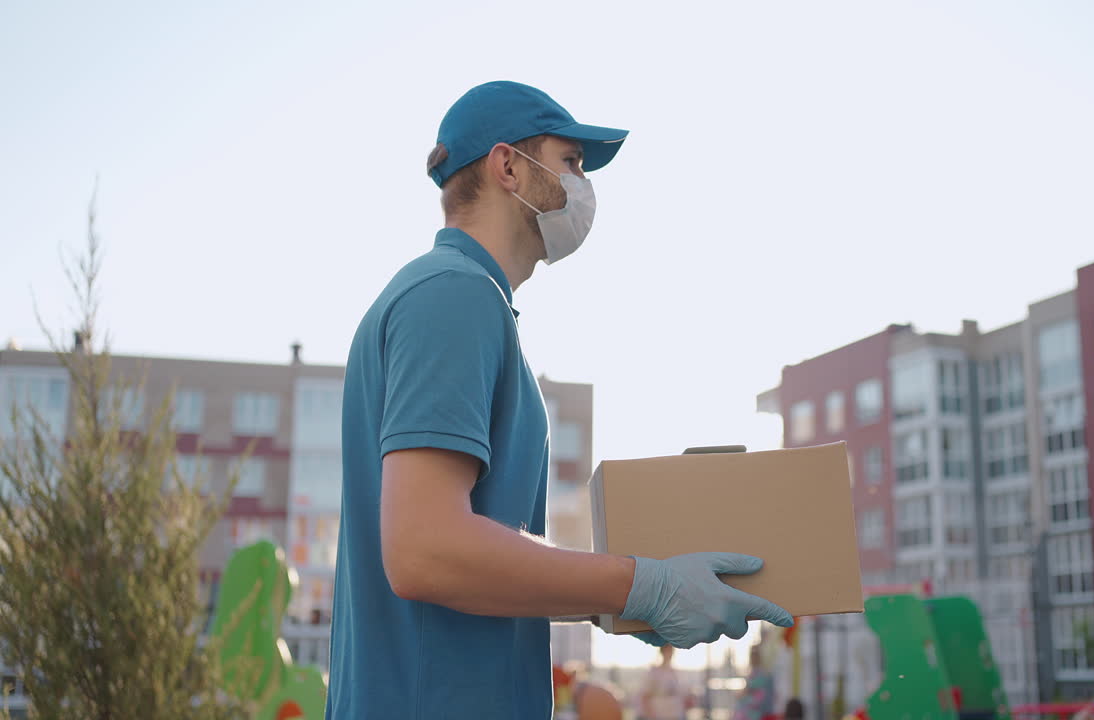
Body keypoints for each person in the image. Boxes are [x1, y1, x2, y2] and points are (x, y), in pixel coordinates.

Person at [324, 81, 795, 719]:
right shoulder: (453, 298)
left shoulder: (460, 299)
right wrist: (643, 584)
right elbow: (424, 550)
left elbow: (470, 558)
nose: (582, 184)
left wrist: (612, 600)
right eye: (570, 162)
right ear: (509, 166)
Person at [639, 645, 687, 720]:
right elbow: (645, 697)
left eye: (671, 651)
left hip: (676, 716)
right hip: (659, 716)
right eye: (667, 650)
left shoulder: (676, 673)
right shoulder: (654, 672)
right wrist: (651, 715)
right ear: (662, 652)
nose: (669, 653)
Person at [732, 644, 776, 720]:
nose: (752, 658)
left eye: (754, 656)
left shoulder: (763, 673)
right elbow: (748, 688)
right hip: (754, 705)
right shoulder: (753, 672)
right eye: (752, 656)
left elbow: (758, 689)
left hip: (758, 706)